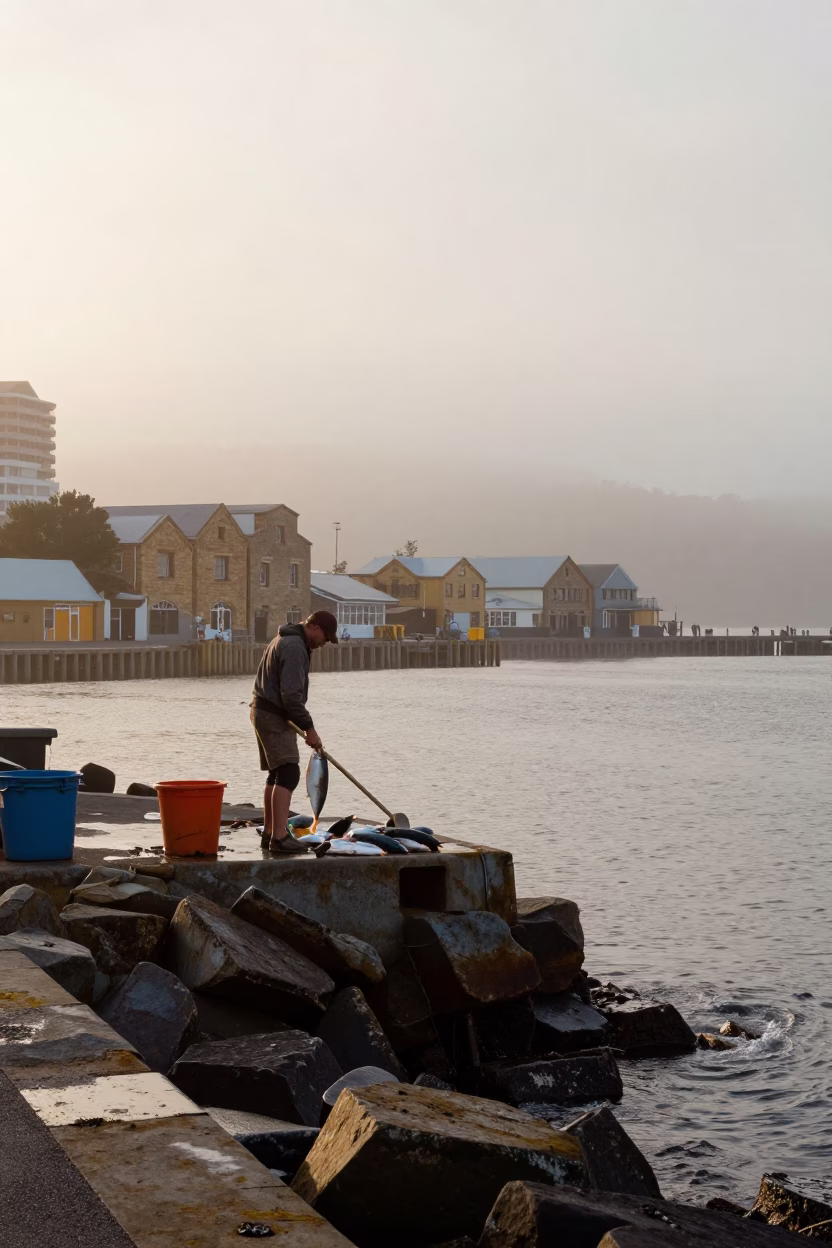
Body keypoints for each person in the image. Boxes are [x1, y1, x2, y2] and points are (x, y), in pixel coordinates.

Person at [250, 610, 338, 853]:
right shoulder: (295, 646)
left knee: (277, 772)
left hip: (263, 711)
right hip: (274, 715)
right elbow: (291, 695)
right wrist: (309, 728)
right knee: (289, 772)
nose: (324, 643)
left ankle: (269, 833)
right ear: (315, 628)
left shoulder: (283, 638)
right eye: (326, 638)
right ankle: (279, 838)